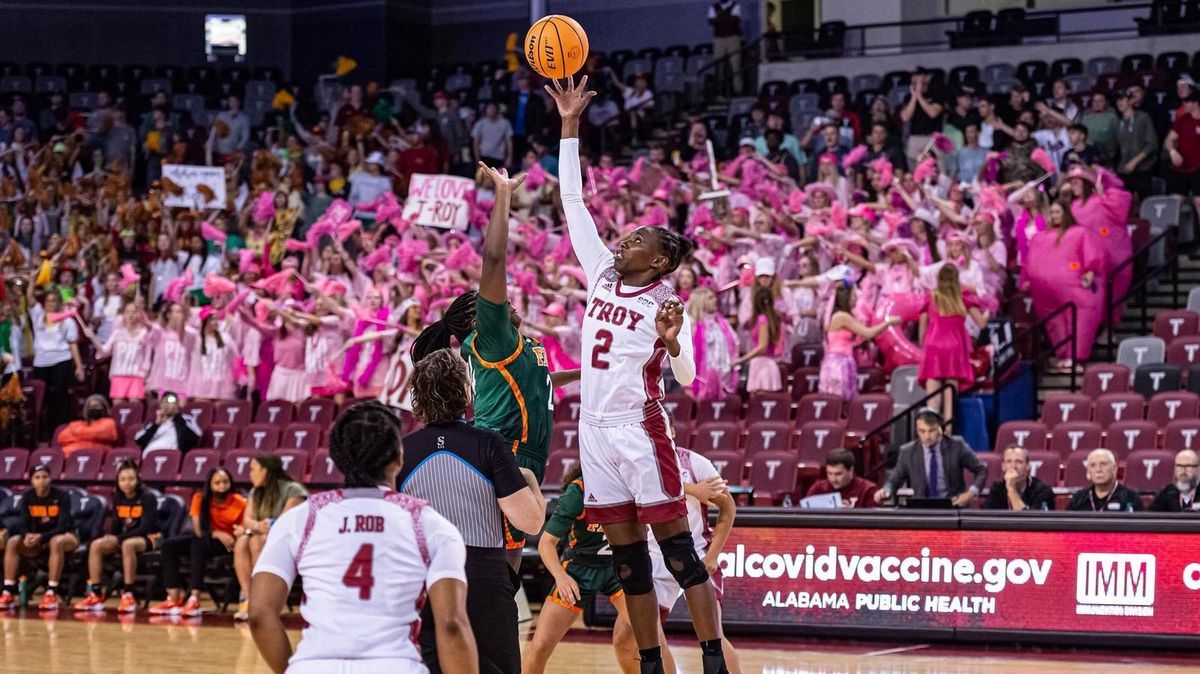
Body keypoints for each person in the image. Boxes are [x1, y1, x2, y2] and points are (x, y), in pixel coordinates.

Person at [549, 75, 729, 674]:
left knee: (677, 549)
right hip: (593, 430)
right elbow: (573, 202)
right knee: (628, 561)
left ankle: (712, 660)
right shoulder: (600, 270)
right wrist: (570, 125)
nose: (623, 239)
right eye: (626, 235)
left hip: (638, 427)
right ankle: (652, 664)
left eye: (637, 239)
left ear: (658, 260)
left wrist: (675, 342)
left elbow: (689, 372)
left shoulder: (664, 304)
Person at [249, 401, 478, 674]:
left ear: (336, 458)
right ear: (398, 458)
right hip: (395, 665)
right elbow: (451, 624)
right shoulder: (430, 523)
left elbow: (259, 615)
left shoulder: (300, 518)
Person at [399, 350, 545, 674]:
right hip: (482, 576)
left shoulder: (401, 450)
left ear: (416, 396)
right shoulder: (488, 444)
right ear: (466, 392)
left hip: (421, 578)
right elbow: (530, 522)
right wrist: (532, 482)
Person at [521, 466, 644, 674]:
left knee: (650, 639)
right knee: (540, 646)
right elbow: (546, 543)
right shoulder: (578, 490)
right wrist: (561, 577)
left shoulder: (632, 483)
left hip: (618, 567)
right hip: (579, 570)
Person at [649, 424, 742, 674]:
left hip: (695, 552)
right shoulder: (640, 461)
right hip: (653, 557)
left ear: (674, 432)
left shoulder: (694, 462)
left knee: (714, 636)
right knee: (638, 636)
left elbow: (728, 508)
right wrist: (690, 489)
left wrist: (712, 556)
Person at [1021, 199, 1105, 373]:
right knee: (1055, 323)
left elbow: (1092, 256)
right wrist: (1026, 279)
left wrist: (1089, 272)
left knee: (1078, 319)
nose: (1054, 215)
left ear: (1066, 213)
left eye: (1057, 212)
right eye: (1052, 212)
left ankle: (1076, 357)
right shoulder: (1040, 237)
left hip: (1073, 286)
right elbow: (1030, 260)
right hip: (1044, 290)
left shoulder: (1080, 232)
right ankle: (1065, 355)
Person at [151, 467, 246, 616]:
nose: (222, 486)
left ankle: (194, 598)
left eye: (225, 482)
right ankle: (173, 597)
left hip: (228, 544)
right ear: (210, 485)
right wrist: (217, 533)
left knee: (198, 544)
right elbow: (198, 530)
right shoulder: (199, 498)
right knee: (169, 545)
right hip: (208, 537)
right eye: (217, 482)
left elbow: (239, 532)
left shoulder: (239, 502)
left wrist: (223, 536)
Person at [72, 459, 159, 612]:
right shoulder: (119, 498)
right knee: (96, 545)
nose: (127, 483)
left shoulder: (148, 497)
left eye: (131, 479)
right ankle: (96, 593)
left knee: (128, 544)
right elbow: (117, 526)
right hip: (127, 537)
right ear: (117, 481)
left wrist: (117, 539)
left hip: (152, 537)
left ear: (138, 479)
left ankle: (128, 594)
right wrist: (110, 537)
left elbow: (146, 528)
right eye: (123, 479)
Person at [232, 454, 308, 621]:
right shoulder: (255, 491)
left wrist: (268, 526)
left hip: (290, 540)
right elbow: (247, 519)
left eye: (253, 469)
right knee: (242, 541)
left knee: (258, 541)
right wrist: (257, 526)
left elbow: (288, 522)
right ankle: (249, 598)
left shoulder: (293, 489)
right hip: (261, 535)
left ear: (265, 471)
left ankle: (266, 600)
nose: (249, 474)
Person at [0, 464, 76, 610]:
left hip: (66, 536)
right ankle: (8, 589)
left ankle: (51, 591)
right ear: (32, 481)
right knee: (13, 541)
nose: (41, 481)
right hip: (38, 539)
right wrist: (26, 535)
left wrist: (40, 536)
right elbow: (22, 524)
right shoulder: (27, 497)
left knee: (56, 541)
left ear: (50, 479)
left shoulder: (62, 496)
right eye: (37, 478)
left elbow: (62, 527)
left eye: (44, 477)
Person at [918, 265, 989, 422]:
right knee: (950, 393)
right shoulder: (962, 298)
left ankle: (931, 430)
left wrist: (923, 347)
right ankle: (948, 431)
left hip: (933, 347)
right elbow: (982, 323)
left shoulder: (930, 297)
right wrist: (989, 309)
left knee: (932, 399)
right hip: (954, 348)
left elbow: (922, 328)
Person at [874, 409, 987, 507]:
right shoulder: (907, 452)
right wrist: (886, 491)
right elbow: (894, 481)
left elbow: (981, 470)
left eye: (931, 430)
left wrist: (970, 494)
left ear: (941, 428)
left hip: (954, 506)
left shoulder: (957, 445)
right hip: (922, 510)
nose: (927, 436)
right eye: (922, 431)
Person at [817, 280, 899, 401]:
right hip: (838, 364)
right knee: (837, 401)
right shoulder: (842, 316)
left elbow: (860, 337)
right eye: (854, 295)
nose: (856, 299)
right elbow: (868, 332)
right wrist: (888, 323)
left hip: (843, 361)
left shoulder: (842, 316)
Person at [731, 286, 783, 394]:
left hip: (763, 366)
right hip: (765, 364)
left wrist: (741, 360)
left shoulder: (762, 319)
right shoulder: (772, 318)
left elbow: (762, 347)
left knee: (759, 405)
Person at [1067, 449, 1143, 512]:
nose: (1098, 470)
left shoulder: (1130, 497)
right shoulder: (1079, 498)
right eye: (1093, 465)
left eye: (1103, 464)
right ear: (1088, 471)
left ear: (1114, 468)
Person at [1114, 90, 1158, 199]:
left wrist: (1134, 161)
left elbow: (1152, 144)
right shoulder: (1119, 123)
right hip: (1123, 169)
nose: (1120, 103)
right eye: (1118, 100)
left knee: (1145, 201)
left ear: (1131, 101)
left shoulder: (1143, 118)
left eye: (1123, 99)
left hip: (1142, 169)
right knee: (1126, 204)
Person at [1164, 91, 1200, 221]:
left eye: (1187, 102)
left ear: (1196, 103)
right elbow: (1168, 141)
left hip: (1199, 169)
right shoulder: (1182, 120)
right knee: (1175, 201)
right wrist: (1173, 152)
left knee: (1198, 201)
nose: (1184, 104)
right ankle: (1172, 237)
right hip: (1182, 168)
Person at [983, 446, 1055, 511]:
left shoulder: (1042, 491)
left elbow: (1030, 521)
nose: (1013, 466)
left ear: (1027, 466)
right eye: (1008, 462)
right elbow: (987, 519)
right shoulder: (997, 488)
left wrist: (1011, 488)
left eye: (1019, 462)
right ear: (1003, 466)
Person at [805, 449, 878, 508]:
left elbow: (875, 521)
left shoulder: (867, 490)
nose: (833, 479)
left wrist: (852, 513)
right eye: (829, 473)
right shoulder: (818, 489)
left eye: (838, 474)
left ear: (851, 470)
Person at [134, 392, 203, 454]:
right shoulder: (153, 422)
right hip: (150, 455)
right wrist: (156, 424)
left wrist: (177, 417)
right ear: (160, 405)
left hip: (171, 457)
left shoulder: (186, 419)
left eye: (172, 403)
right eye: (165, 402)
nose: (168, 405)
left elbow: (196, 438)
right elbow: (139, 440)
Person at [708, 1, 743, 94]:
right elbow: (711, 21)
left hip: (733, 38)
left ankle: (738, 91)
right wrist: (726, 17)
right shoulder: (713, 7)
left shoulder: (735, 5)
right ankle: (719, 92)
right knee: (718, 66)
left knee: (735, 66)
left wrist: (719, 17)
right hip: (719, 39)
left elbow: (734, 20)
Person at [472, 102, 514, 168]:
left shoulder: (505, 123)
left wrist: (509, 157)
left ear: (497, 110)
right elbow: (476, 143)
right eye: (489, 108)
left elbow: (509, 141)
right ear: (485, 110)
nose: (491, 110)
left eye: (493, 108)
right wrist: (477, 159)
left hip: (499, 157)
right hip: (483, 156)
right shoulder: (480, 123)